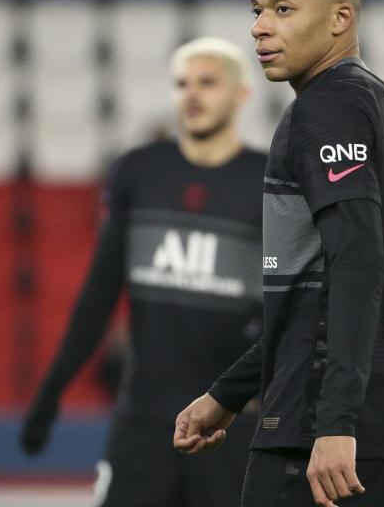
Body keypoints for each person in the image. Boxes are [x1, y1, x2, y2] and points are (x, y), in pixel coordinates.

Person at [173, 0, 384, 507]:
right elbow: (322, 290)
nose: (258, 28)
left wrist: (336, 421)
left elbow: (358, 263)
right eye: (256, 10)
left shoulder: (324, 108)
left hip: (325, 432)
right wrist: (229, 393)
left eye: (282, 9)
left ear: (339, 18)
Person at [19, 37, 268, 507]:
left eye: (208, 82)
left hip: (233, 422)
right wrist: (51, 391)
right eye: (182, 84)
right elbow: (98, 295)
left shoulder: (272, 180)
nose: (192, 94)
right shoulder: (139, 172)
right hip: (145, 421)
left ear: (241, 94)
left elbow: (292, 306)